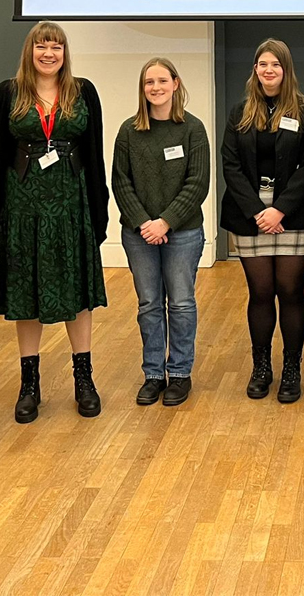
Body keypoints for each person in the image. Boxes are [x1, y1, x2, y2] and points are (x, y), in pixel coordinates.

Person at [0, 22, 109, 424]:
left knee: (77, 290)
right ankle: (29, 384)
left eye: (56, 46)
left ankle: (84, 379)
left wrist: (100, 209)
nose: (49, 53)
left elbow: (95, 153)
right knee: (27, 291)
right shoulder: (7, 93)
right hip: (23, 207)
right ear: (30, 51)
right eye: (42, 46)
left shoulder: (83, 91)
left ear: (64, 53)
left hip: (72, 204)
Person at [220, 39, 304, 403]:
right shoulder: (240, 112)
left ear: (286, 70)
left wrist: (280, 209)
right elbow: (230, 164)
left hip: (293, 213)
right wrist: (257, 211)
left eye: (275, 65)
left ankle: (291, 368)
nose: (268, 70)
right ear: (255, 70)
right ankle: (261, 367)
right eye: (262, 64)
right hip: (250, 215)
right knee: (261, 293)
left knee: (291, 292)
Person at [112, 57, 211, 408]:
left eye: (161, 81)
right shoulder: (128, 131)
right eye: (148, 82)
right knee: (149, 304)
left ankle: (180, 373)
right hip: (138, 235)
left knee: (182, 304)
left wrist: (165, 222)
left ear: (175, 83)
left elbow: (198, 184)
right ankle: (154, 373)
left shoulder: (192, 129)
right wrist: (144, 224)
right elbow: (121, 184)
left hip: (182, 233)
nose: (155, 88)